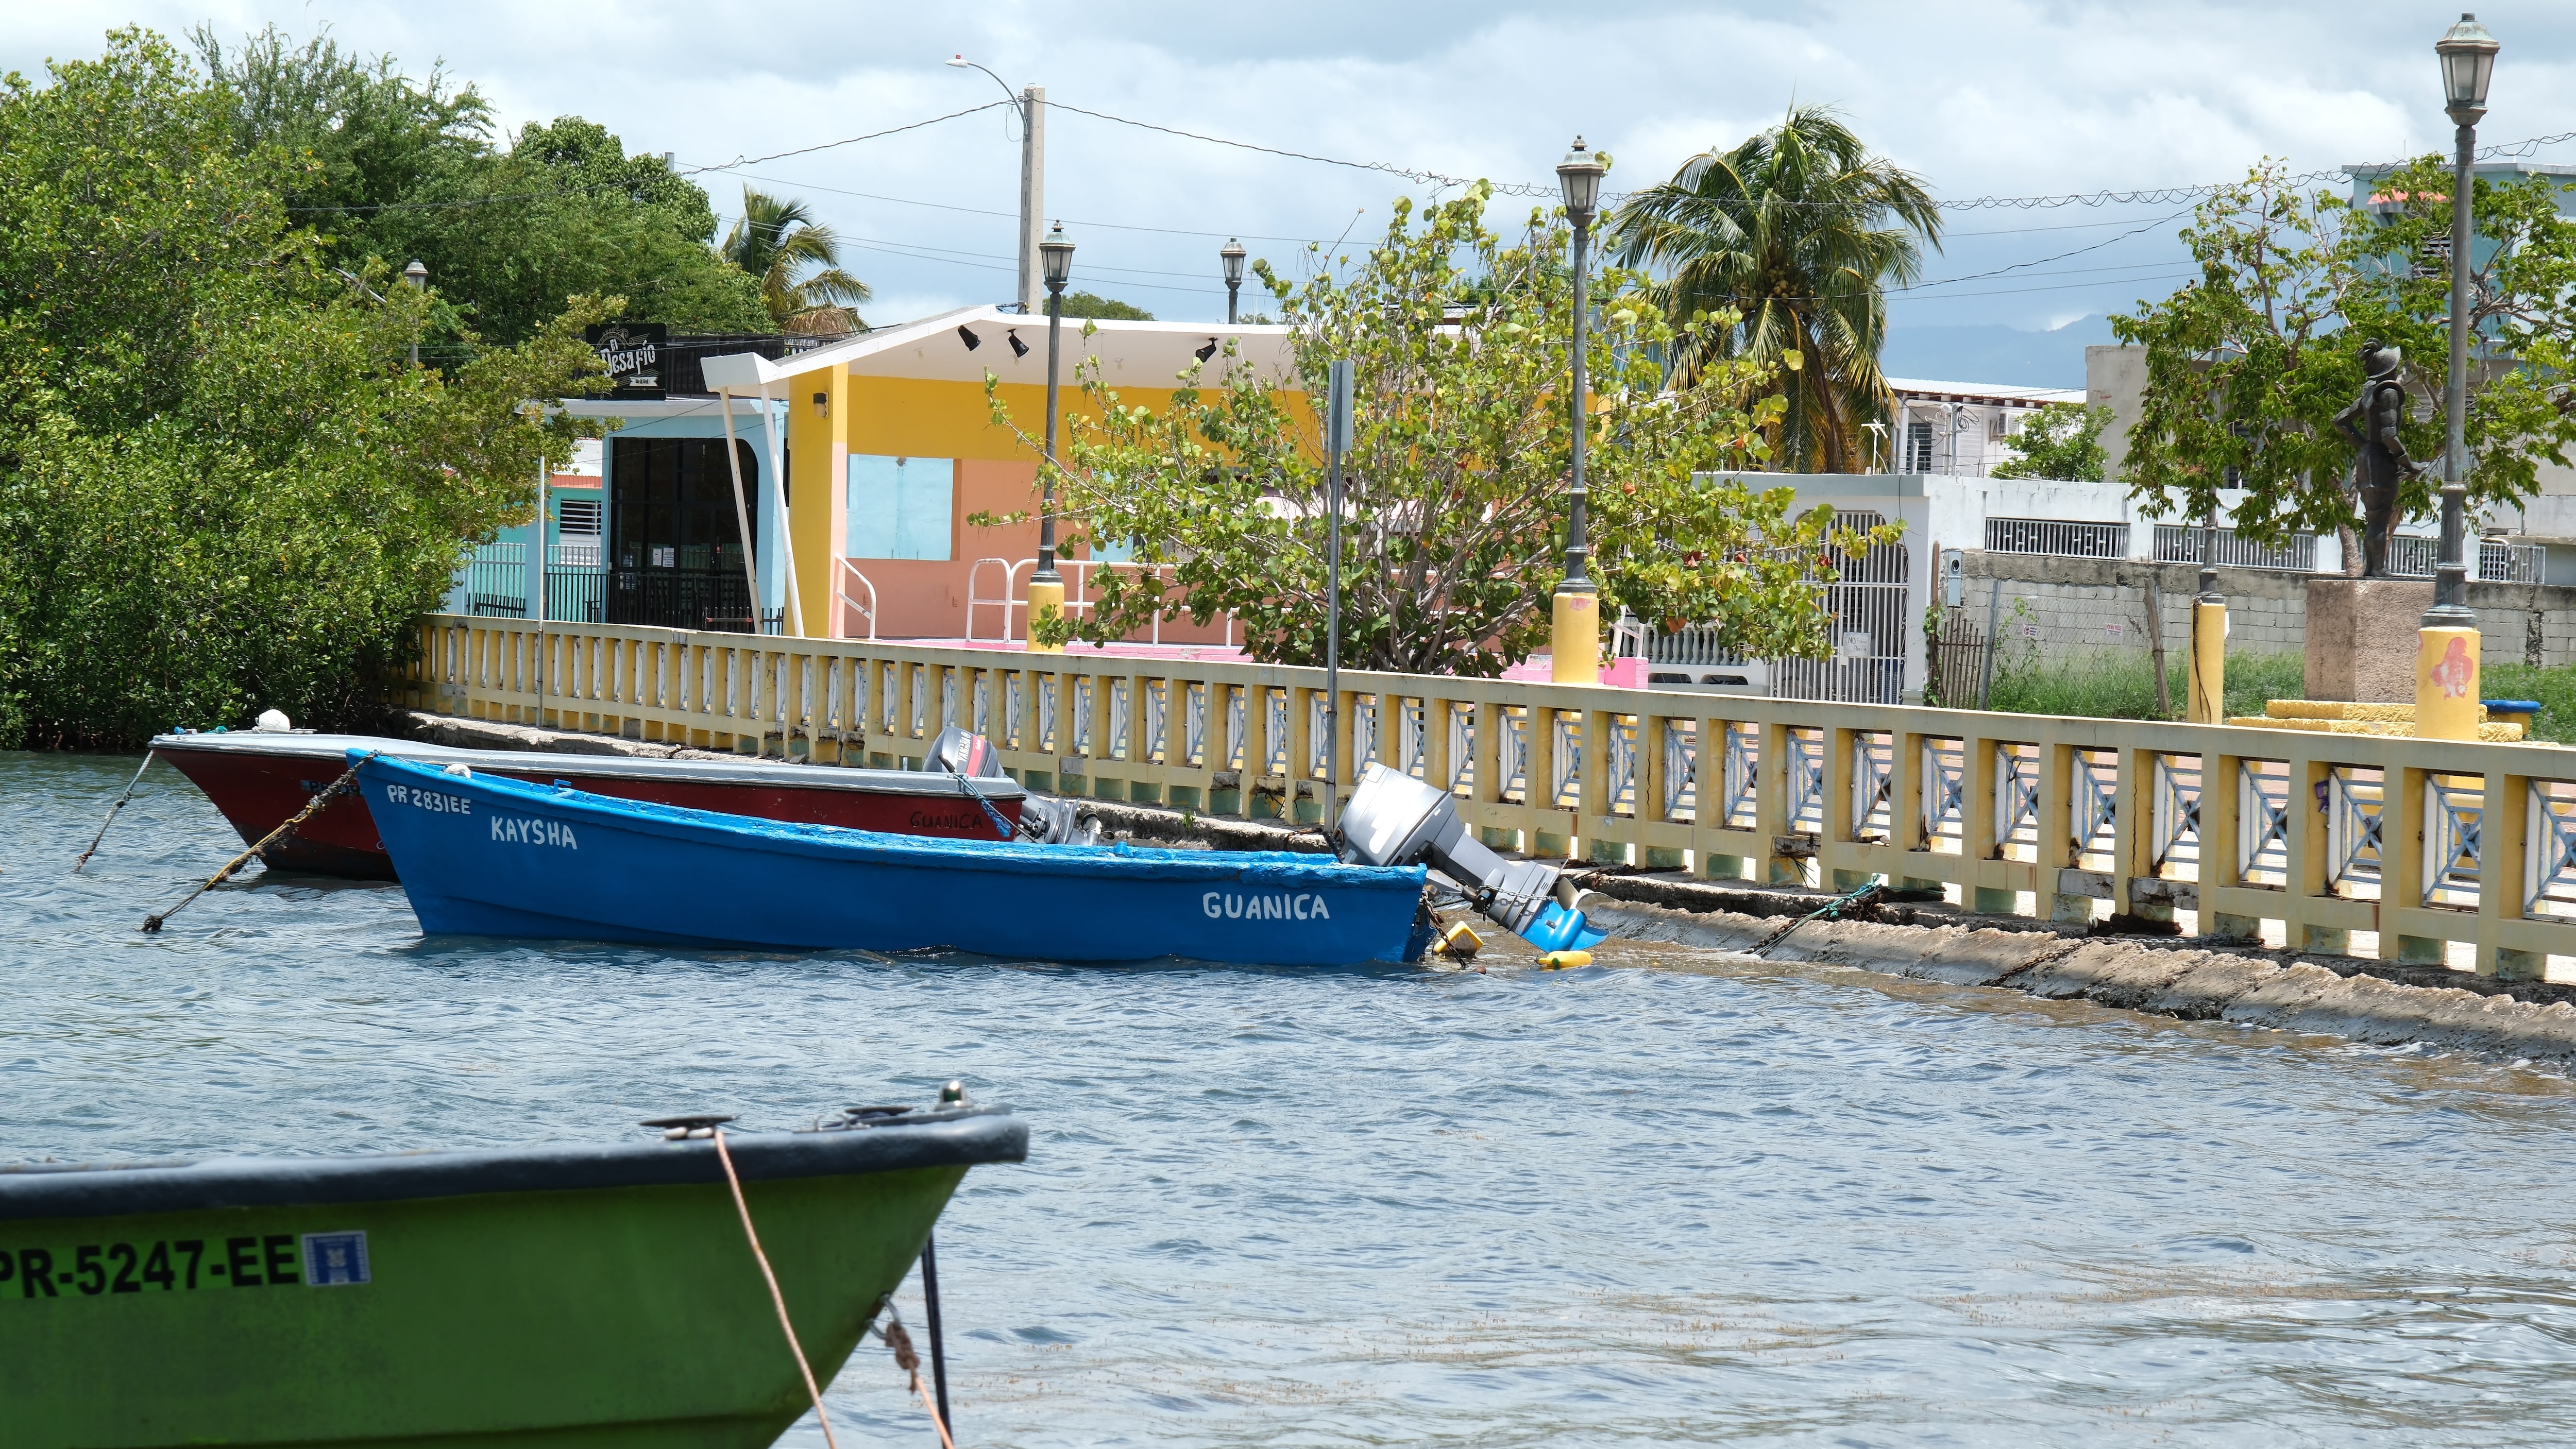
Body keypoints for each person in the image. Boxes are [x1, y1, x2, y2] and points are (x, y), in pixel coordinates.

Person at [2331, 340, 2422, 577]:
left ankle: (2371, 568)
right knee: (2380, 517)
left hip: (2367, 458)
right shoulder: (2389, 392)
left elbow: (2341, 421)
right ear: (2391, 368)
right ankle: (2379, 569)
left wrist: (2365, 447)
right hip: (2381, 460)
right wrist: (2407, 463)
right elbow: (2389, 435)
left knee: (2373, 517)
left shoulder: (2370, 394)